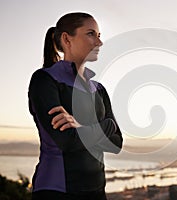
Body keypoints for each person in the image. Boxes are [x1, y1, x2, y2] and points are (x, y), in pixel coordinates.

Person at [28, 12, 123, 200]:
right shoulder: (45, 80)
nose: (99, 43)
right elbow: (66, 141)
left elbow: (116, 143)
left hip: (96, 191)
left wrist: (80, 128)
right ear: (66, 39)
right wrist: (105, 126)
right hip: (57, 190)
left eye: (99, 36)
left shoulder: (99, 89)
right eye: (90, 34)